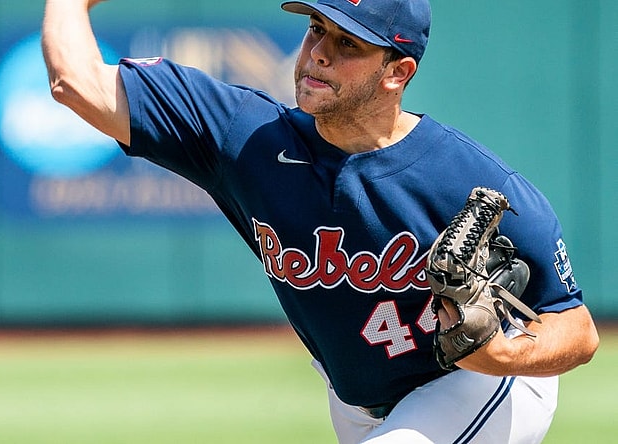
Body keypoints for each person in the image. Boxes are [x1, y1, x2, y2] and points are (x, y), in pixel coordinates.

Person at [41, 0, 600, 442]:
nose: (318, 54)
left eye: (347, 43)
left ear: (397, 72)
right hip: (355, 401)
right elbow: (77, 82)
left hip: (474, 384)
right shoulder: (244, 136)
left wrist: (502, 355)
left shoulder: (470, 182)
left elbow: (577, 330)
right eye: (316, 30)